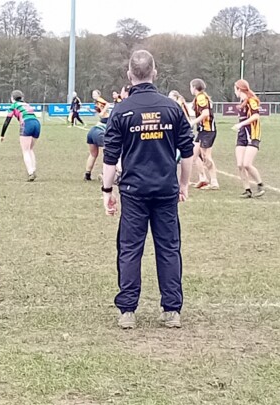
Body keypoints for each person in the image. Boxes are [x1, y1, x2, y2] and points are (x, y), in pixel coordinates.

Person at [102, 50, 194, 330]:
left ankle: (127, 311)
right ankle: (172, 310)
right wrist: (184, 183)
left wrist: (107, 190)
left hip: (134, 190)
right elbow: (187, 152)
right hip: (166, 189)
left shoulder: (121, 110)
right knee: (169, 248)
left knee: (130, 249)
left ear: (130, 75)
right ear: (155, 72)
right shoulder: (172, 107)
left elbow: (110, 156)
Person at [233, 79, 265, 198]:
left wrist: (241, 124)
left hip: (252, 134)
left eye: (235, 89)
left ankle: (260, 184)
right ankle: (247, 190)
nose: (234, 91)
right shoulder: (242, 101)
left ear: (239, 89)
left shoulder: (252, 100)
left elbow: (256, 116)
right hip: (242, 135)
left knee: (247, 164)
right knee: (240, 164)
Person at [0, 90, 41, 181]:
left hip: (27, 124)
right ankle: (33, 169)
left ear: (12, 98)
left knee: (25, 150)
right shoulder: (26, 104)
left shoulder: (14, 105)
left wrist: (2, 135)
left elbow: (7, 121)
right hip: (37, 123)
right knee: (30, 149)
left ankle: (31, 173)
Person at [189, 79, 219, 190]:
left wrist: (193, 122)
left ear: (194, 87)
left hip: (208, 131)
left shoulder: (201, 97)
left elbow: (205, 114)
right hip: (202, 131)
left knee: (206, 157)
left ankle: (214, 182)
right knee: (194, 155)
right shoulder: (198, 98)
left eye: (191, 87)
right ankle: (203, 178)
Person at [84, 102, 111, 181]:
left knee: (93, 154)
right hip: (99, 133)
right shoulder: (106, 115)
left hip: (92, 132)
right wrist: (106, 107)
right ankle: (104, 173)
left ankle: (87, 174)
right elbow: (102, 113)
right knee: (109, 153)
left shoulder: (105, 114)